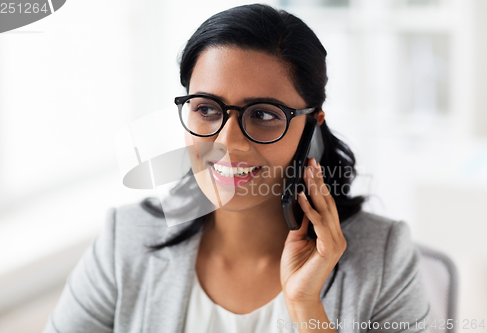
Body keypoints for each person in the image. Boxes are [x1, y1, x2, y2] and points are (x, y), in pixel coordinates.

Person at [43, 4, 430, 333]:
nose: (228, 142)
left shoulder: (384, 258)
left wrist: (305, 308)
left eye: (263, 114)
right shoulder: (123, 241)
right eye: (207, 110)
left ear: (312, 126)